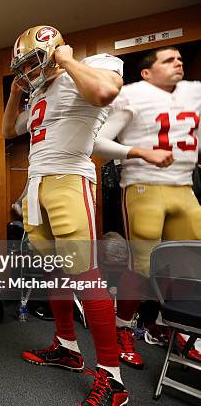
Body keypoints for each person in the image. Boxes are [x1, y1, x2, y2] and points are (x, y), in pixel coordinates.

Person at [2, 26, 128, 405]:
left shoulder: (90, 67)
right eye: (20, 66)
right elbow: (9, 129)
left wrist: (67, 60)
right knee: (55, 273)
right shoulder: (37, 90)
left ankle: (112, 377)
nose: (27, 71)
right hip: (37, 186)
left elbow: (105, 92)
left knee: (87, 278)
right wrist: (14, 91)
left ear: (54, 50)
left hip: (70, 181)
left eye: (32, 61)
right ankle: (67, 347)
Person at [93, 46, 201, 366]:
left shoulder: (193, 94)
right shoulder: (132, 95)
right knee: (142, 267)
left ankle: (173, 326)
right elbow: (98, 142)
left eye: (180, 58)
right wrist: (140, 151)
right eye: (168, 60)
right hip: (144, 186)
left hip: (183, 187)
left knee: (189, 264)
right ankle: (123, 327)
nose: (178, 62)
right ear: (146, 72)